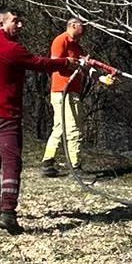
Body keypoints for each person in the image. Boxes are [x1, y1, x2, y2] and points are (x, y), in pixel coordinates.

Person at [0, 8, 79, 234]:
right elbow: (40, 64)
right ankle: (8, 213)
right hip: (5, 117)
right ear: (1, 23)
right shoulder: (11, 49)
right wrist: (65, 63)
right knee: (12, 163)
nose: (20, 25)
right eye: (16, 21)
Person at [41, 18, 87, 177]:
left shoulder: (78, 47)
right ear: (73, 25)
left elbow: (86, 67)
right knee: (73, 127)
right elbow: (54, 63)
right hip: (62, 91)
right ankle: (75, 166)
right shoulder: (61, 40)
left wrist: (102, 78)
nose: (85, 28)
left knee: (60, 126)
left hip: (72, 91)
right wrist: (70, 63)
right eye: (82, 25)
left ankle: (48, 162)